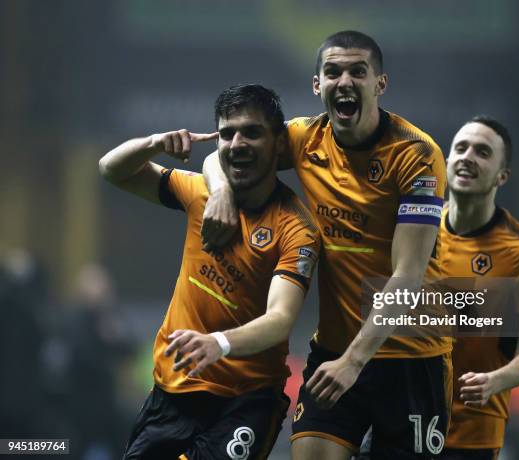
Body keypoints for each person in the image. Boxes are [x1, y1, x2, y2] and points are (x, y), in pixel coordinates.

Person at [202, 31, 452, 459]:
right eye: (333, 72)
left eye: (358, 71)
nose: (345, 81)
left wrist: (355, 363)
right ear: (317, 85)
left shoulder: (417, 155)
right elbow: (223, 152)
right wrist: (221, 191)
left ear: (380, 84)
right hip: (334, 351)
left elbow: (407, 275)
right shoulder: (304, 139)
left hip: (412, 355)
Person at [99, 84, 321, 459]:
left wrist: (218, 343)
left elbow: (281, 318)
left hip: (246, 401)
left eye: (252, 132)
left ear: (278, 143)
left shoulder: (297, 228)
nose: (237, 143)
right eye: (228, 133)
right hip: (172, 392)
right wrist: (155, 142)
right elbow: (112, 170)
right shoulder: (201, 192)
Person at [435, 116, 519, 459]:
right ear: (447, 160)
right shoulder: (418, 231)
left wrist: (496, 381)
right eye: (461, 148)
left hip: (471, 432)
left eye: (483, 152)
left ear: (502, 176)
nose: (468, 156)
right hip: (404, 421)